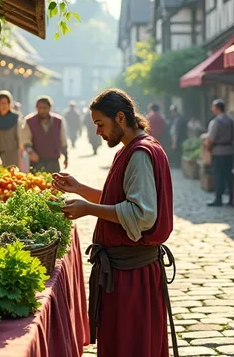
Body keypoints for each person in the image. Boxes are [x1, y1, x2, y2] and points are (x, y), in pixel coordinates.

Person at [53, 88, 177, 357]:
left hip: (132, 275)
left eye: (101, 124)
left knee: (131, 346)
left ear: (120, 117)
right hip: (125, 272)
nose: (97, 132)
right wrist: (80, 189)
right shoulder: (129, 149)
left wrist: (88, 209)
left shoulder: (140, 153)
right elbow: (116, 200)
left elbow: (142, 215)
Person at [22, 96, 69, 173]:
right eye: (39, 108)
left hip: (53, 160)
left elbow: (63, 140)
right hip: (37, 161)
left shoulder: (58, 121)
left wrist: (66, 156)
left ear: (49, 108)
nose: (42, 110)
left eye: (44, 108)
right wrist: (31, 152)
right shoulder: (29, 121)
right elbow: (25, 140)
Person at [205, 98, 234, 207]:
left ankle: (218, 199)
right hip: (229, 151)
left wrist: (208, 149)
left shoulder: (215, 122)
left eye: (213, 107)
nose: (211, 109)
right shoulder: (231, 121)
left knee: (218, 175)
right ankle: (232, 198)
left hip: (218, 152)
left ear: (217, 108)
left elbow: (210, 138)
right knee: (229, 175)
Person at [0, 90, 21, 167]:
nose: (4, 106)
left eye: (6, 103)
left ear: (9, 104)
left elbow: (19, 138)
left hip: (12, 155)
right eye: (2, 103)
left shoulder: (16, 118)